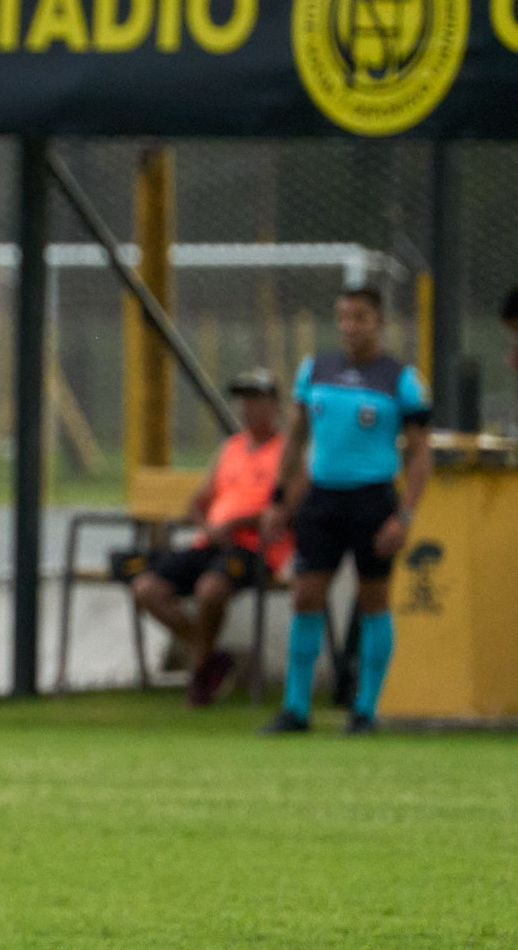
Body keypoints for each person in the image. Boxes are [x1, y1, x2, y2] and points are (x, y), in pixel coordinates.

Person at [260, 289, 432, 735]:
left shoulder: (401, 379)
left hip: (373, 500)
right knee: (305, 596)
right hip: (322, 499)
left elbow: (420, 455)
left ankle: (365, 711)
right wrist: (280, 501)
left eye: (360, 317)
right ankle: (296, 708)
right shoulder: (314, 371)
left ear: (379, 323)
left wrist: (405, 516)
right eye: (343, 317)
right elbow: (296, 439)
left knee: (374, 600)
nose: (350, 326)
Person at [128, 368, 290, 707]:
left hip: (254, 548)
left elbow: (288, 508)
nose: (247, 407)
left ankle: (202, 668)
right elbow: (197, 502)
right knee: (145, 589)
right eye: (243, 400)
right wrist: (206, 526)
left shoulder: (287, 452)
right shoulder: (231, 448)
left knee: (210, 589)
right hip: (211, 543)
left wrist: (232, 525)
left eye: (256, 399)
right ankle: (210, 659)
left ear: (274, 404)